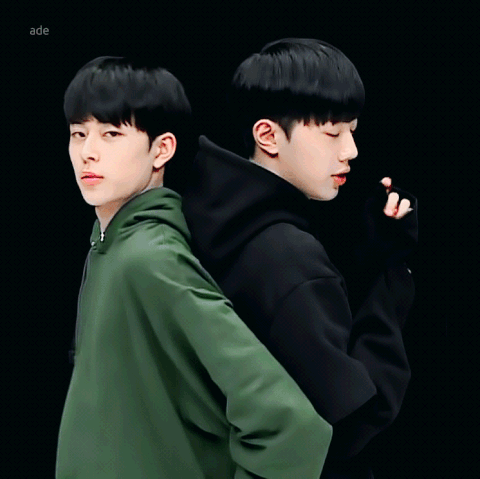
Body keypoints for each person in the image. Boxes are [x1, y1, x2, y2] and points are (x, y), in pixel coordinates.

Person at [55, 56, 333, 479]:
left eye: (111, 133)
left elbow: (289, 426)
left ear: (162, 149)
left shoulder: (152, 260)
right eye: (79, 133)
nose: (87, 153)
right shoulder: (109, 247)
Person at [182, 38, 418, 479]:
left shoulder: (205, 215)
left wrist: (365, 256)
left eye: (352, 130)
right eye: (332, 132)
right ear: (268, 135)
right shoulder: (288, 258)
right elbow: (352, 423)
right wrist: (391, 274)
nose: (351, 150)